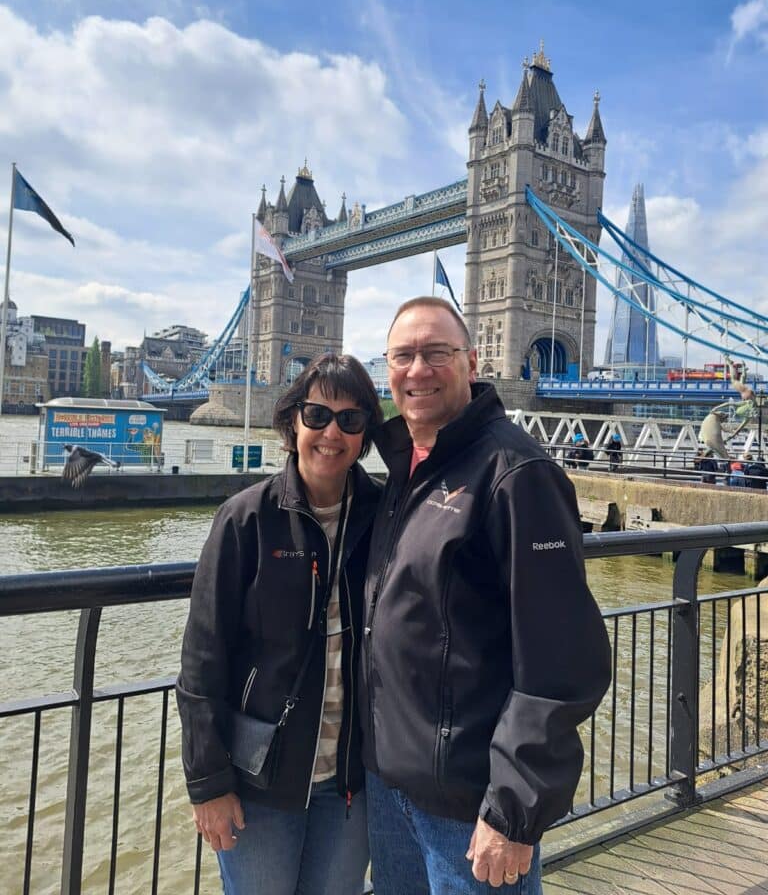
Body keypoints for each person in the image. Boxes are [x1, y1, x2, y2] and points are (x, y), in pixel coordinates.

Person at [360, 297, 611, 895]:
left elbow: (561, 662)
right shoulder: (405, 469)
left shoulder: (516, 474)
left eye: (437, 353)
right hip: (389, 789)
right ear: (387, 370)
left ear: (472, 363)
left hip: (471, 807)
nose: (418, 369)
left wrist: (512, 808)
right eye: (403, 355)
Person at [176, 353, 383, 895]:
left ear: (365, 434)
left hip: (351, 784)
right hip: (258, 782)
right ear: (293, 421)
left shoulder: (388, 516)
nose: (331, 433)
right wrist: (207, 784)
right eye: (317, 415)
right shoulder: (247, 518)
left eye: (351, 420)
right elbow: (202, 662)